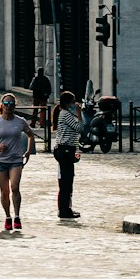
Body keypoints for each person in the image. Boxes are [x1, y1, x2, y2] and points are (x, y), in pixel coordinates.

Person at [0, 94, 34, 232]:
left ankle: (17, 216)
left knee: (15, 187)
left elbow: (30, 134)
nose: (9, 106)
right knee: (4, 191)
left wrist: (28, 151)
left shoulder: (20, 121)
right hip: (0, 160)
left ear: (15, 106)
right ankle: (8, 217)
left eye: (12, 103)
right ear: (1, 105)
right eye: (6, 103)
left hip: (16, 159)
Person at [49, 90, 82, 219]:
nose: (75, 104)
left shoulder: (65, 114)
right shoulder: (66, 114)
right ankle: (64, 210)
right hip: (65, 150)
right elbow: (79, 128)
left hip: (67, 150)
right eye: (74, 102)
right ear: (69, 103)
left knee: (67, 181)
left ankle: (67, 208)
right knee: (66, 182)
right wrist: (79, 113)